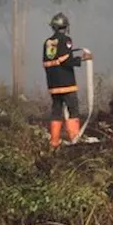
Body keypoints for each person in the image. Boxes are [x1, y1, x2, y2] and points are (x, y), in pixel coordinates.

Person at [41, 12, 91, 149]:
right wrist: (82, 59)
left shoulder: (48, 43)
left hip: (53, 84)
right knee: (73, 110)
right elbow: (66, 61)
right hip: (66, 83)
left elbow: (50, 61)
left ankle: (54, 142)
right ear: (65, 27)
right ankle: (74, 140)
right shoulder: (66, 40)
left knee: (56, 111)